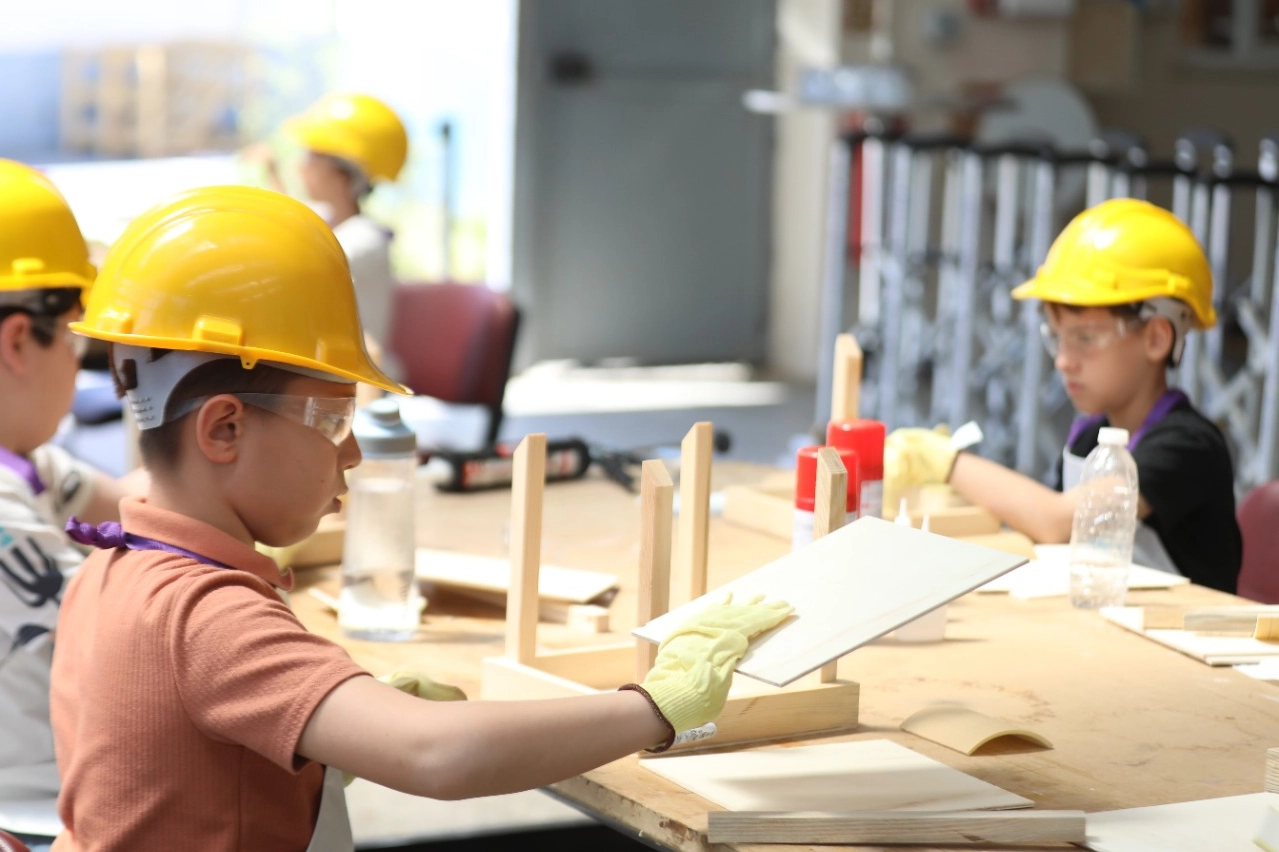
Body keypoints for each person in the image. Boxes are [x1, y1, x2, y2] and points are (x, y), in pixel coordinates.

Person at [49, 185, 791, 852]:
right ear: (224, 430)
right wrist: (654, 708)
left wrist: (337, 729)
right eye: (334, 420)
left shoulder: (109, 571)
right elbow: (437, 755)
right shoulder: (205, 616)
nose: (352, 456)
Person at [885, 198, 1242, 594]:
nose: (1064, 362)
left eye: (1085, 338)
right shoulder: (1088, 439)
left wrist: (945, 460)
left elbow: (1057, 523)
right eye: (1057, 339)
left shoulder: (1187, 447)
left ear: (1156, 337)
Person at [0, 160, 146, 849]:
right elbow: (140, 638)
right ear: (19, 339)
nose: (81, 364)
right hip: (32, 820)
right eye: (81, 340)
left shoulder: (27, 464)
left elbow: (147, 509)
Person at [249, 93, 407, 372]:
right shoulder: (326, 219)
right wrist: (270, 172)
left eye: (312, 156)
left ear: (343, 174)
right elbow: (291, 221)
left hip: (361, 384)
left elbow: (301, 256)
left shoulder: (367, 238)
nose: (301, 165)